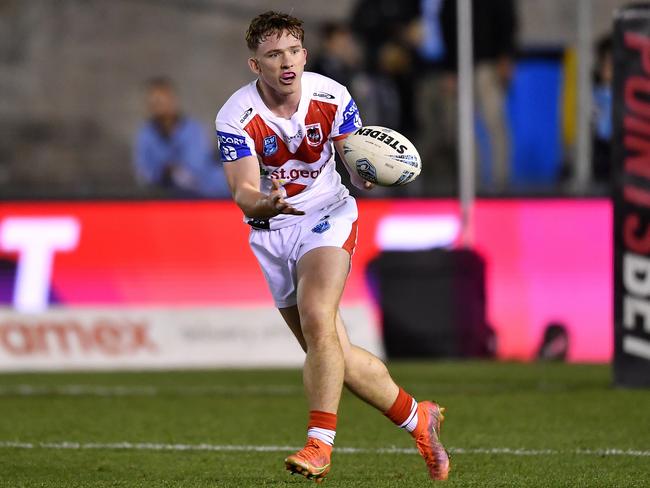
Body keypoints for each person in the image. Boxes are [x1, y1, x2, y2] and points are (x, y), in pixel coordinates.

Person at [215, 11, 450, 483]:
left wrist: (367, 173)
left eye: (294, 51)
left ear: (304, 54)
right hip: (271, 229)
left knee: (319, 318)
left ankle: (319, 444)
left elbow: (354, 156)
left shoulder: (332, 94)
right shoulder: (235, 115)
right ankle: (416, 417)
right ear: (254, 64)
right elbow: (242, 192)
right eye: (273, 54)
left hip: (328, 216)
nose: (287, 62)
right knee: (332, 354)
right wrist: (266, 202)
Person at [134, 77, 230, 198]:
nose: (158, 106)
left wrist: (169, 172)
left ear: (172, 100)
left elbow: (195, 171)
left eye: (162, 100)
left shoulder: (193, 129)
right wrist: (165, 173)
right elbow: (143, 173)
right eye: (154, 102)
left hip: (212, 195)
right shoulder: (146, 134)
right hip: (170, 199)